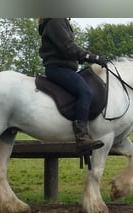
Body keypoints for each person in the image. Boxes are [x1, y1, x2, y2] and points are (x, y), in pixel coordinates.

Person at [38, 18, 107, 152]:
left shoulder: (59, 20)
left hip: (65, 68)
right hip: (58, 69)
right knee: (85, 92)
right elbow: (67, 46)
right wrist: (92, 57)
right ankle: (81, 137)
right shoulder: (55, 20)